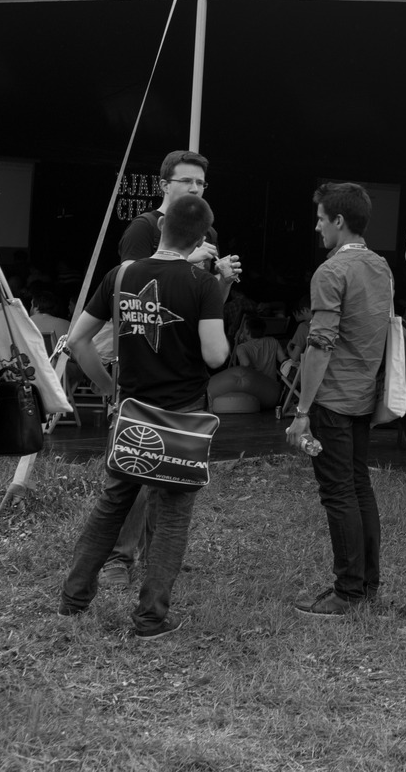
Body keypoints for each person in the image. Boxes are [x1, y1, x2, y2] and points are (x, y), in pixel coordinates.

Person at [59, 194, 232, 639]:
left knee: (111, 504)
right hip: (182, 420)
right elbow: (215, 356)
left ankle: (74, 598)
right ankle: (151, 618)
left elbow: (77, 341)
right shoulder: (202, 283)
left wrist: (108, 388)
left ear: (161, 229)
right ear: (202, 238)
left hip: (132, 413)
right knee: (171, 517)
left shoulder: (122, 275)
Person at [103, 150, 241, 588]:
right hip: (144, 364)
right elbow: (126, 293)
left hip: (183, 371)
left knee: (170, 470)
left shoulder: (207, 228)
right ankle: (117, 559)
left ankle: (151, 556)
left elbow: (200, 302)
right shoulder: (143, 229)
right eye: (186, 182)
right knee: (133, 471)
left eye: (201, 183)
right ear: (165, 185)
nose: (195, 189)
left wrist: (221, 281)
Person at [287, 182, 394, 616]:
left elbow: (320, 344)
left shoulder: (330, 272)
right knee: (358, 487)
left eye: (319, 218)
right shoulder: (381, 267)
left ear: (338, 221)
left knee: (338, 495)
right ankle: (366, 586)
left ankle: (348, 591)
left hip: (332, 400)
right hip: (364, 396)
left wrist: (301, 411)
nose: (316, 227)